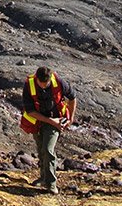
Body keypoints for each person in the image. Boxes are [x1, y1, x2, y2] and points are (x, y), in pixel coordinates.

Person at [20, 66, 77, 195]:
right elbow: (30, 111)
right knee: (41, 149)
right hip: (38, 120)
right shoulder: (29, 84)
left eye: (46, 83)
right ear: (37, 78)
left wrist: (71, 118)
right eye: (41, 83)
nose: (44, 86)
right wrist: (50, 121)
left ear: (50, 79)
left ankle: (51, 184)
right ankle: (43, 178)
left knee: (47, 149)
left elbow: (72, 97)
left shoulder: (59, 82)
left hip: (55, 120)